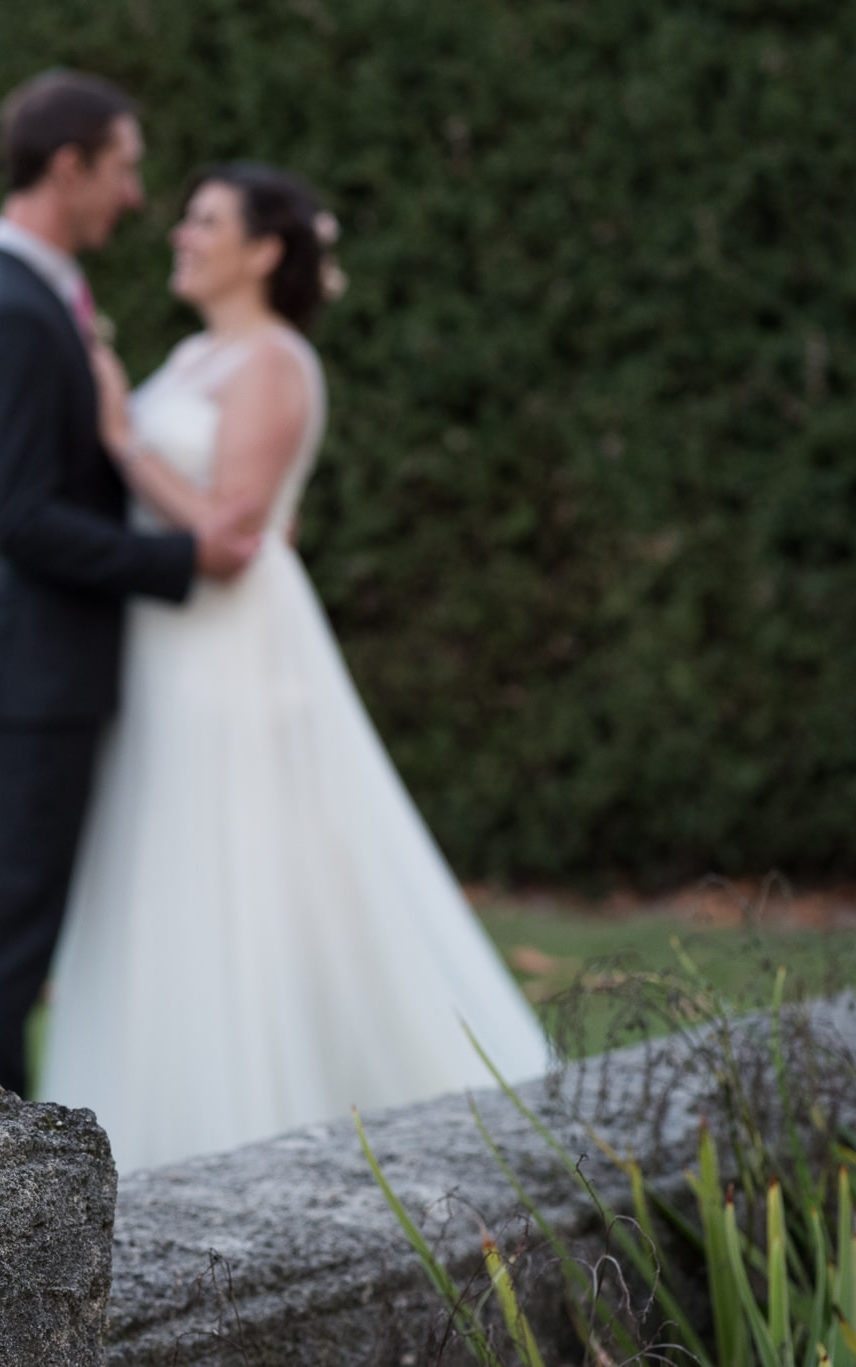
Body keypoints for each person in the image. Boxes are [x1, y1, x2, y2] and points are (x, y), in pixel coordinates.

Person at [39, 163, 552, 1170]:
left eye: (205, 220)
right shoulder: (193, 354)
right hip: (161, 648)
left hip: (228, 648)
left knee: (248, 870)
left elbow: (236, 537)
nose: (179, 233)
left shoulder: (275, 361)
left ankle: (261, 1126)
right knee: (162, 868)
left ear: (263, 251)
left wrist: (116, 439)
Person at [0, 72, 260, 1097]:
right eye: (121, 169)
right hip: (27, 678)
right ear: (65, 168)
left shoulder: (29, 290)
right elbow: (20, 520)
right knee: (1, 944)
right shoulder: (16, 309)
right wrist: (178, 558)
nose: (135, 196)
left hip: (14, 674)